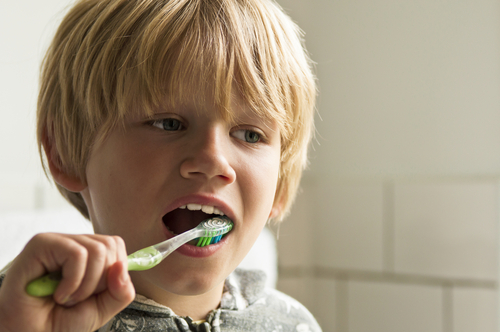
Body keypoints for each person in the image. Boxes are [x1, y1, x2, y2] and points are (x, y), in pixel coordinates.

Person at [0, 0, 319, 331]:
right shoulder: (20, 310)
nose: (213, 160)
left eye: (250, 134)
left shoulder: (292, 324)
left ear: (279, 183)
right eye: (169, 124)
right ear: (64, 151)